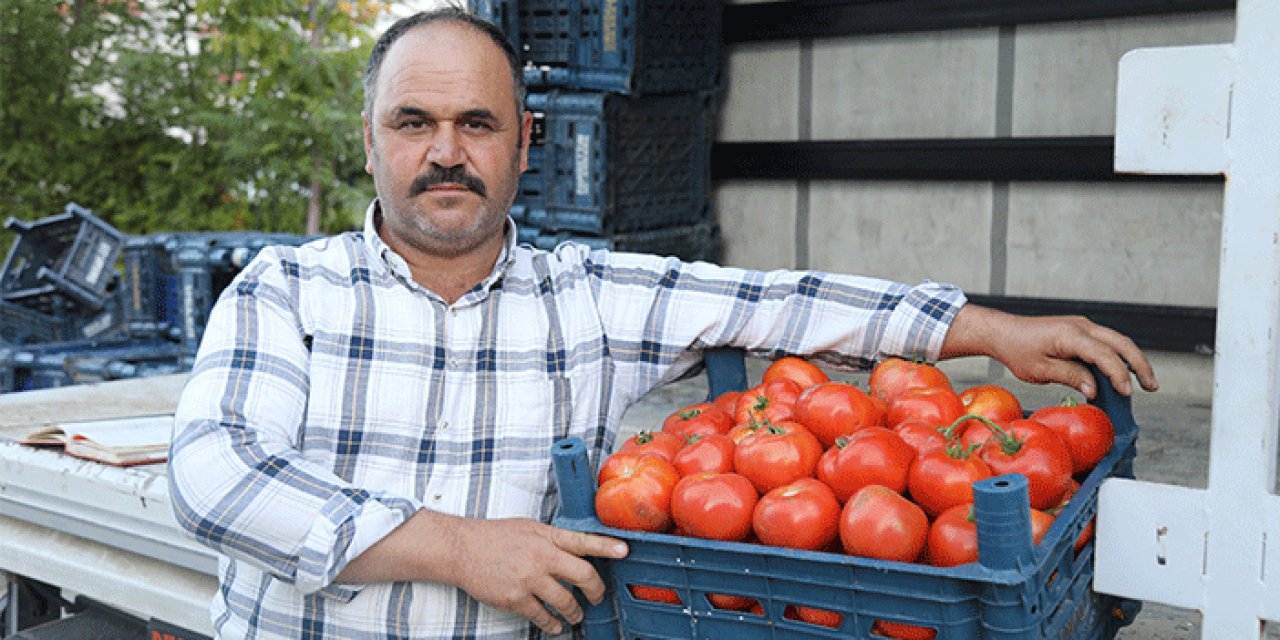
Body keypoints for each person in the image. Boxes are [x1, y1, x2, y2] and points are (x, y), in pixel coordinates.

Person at [168, 7, 1159, 639]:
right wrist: (460, 547)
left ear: (526, 145)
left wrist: (983, 327)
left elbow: (778, 300)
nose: (444, 152)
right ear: (371, 141)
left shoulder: (587, 296)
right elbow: (212, 478)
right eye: (412, 123)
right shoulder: (287, 289)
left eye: (477, 124)